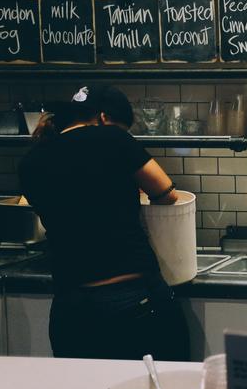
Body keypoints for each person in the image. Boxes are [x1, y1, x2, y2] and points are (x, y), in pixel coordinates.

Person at [18, 85, 190, 361]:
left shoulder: (31, 160)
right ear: (103, 118)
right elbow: (166, 192)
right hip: (133, 300)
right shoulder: (112, 138)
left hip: (71, 308)